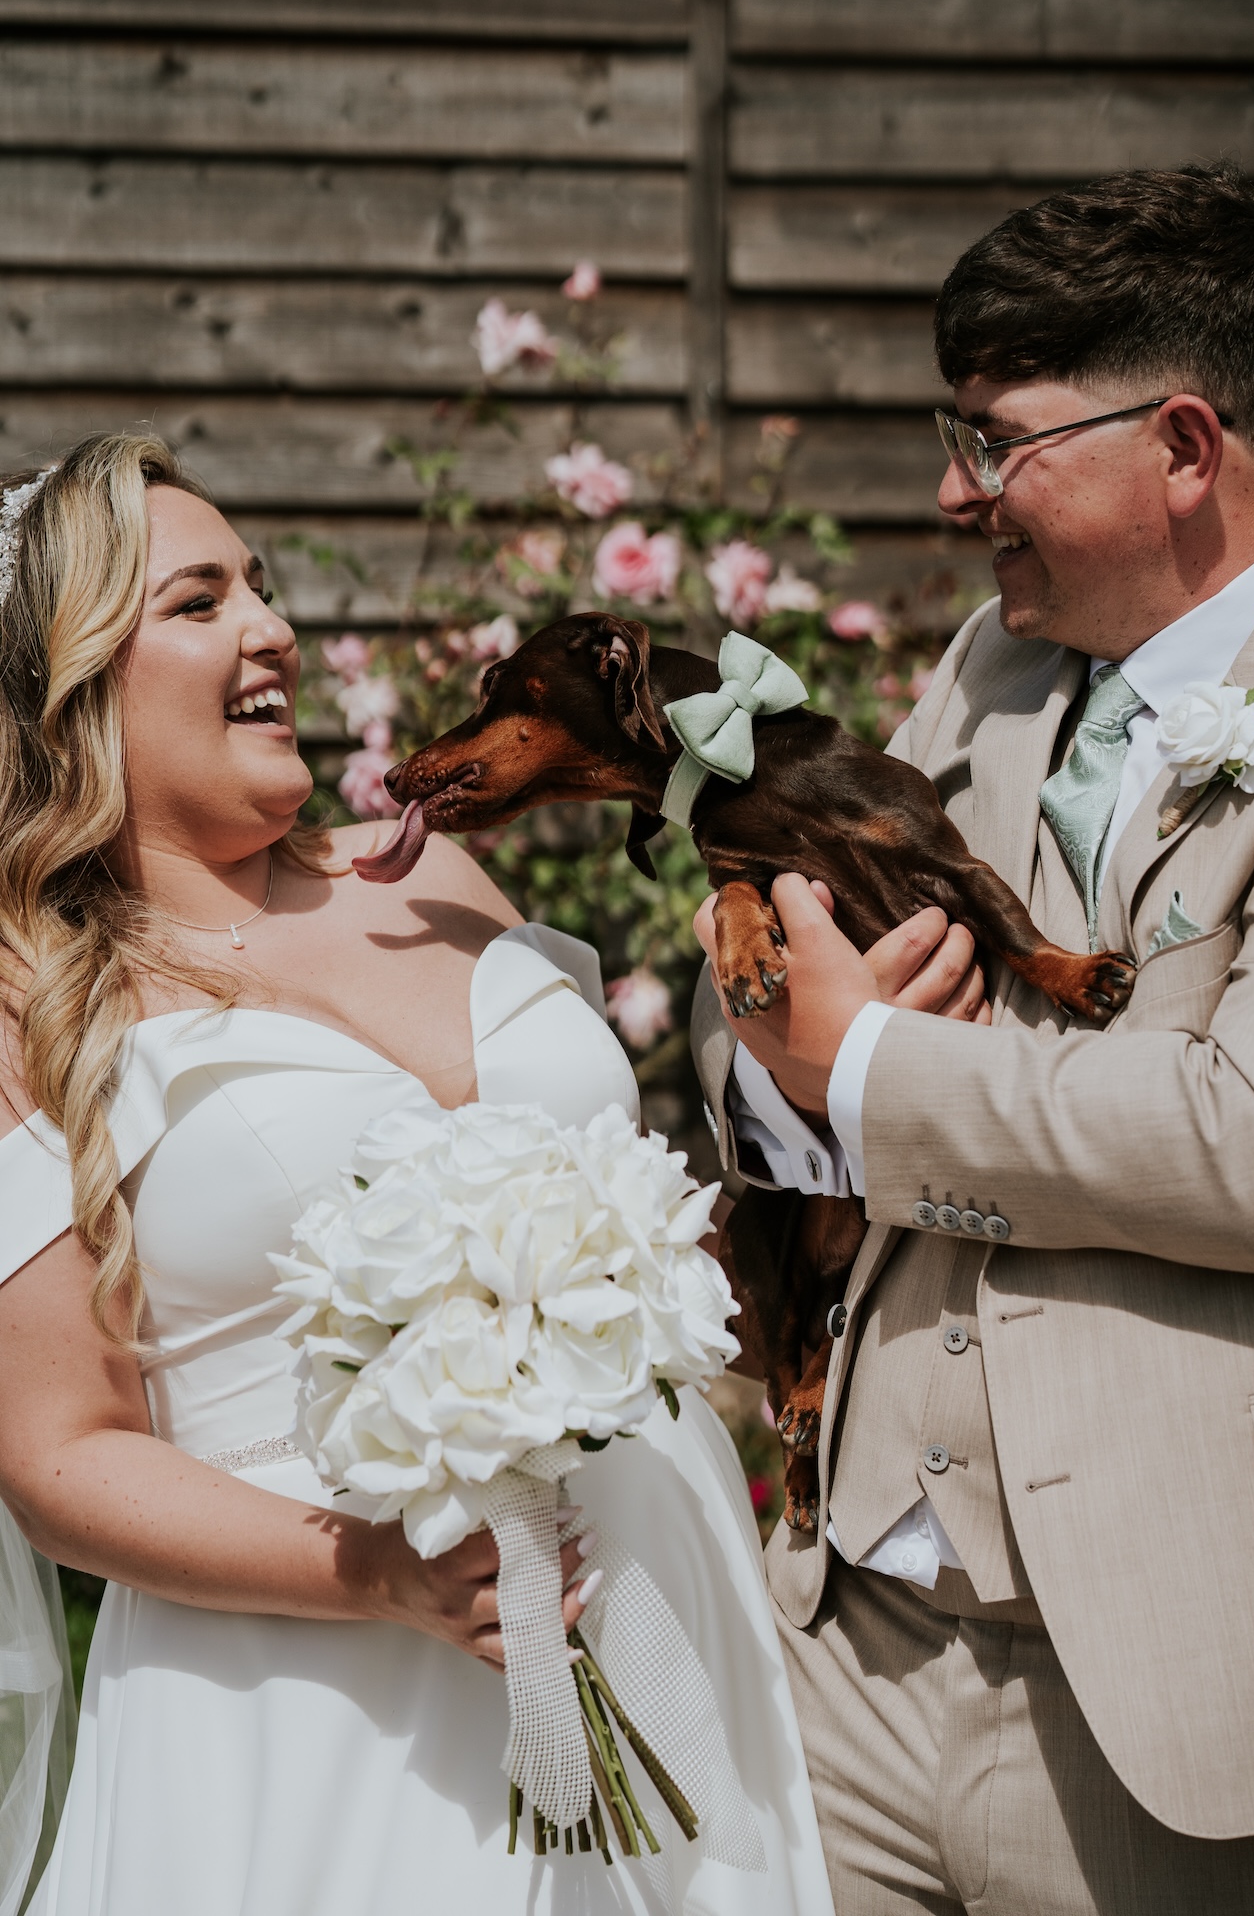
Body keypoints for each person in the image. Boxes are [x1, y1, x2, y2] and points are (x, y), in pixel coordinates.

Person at [0, 432, 838, 1916]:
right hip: (314, 1681)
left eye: (260, 586)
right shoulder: (28, 998)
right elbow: (57, 1453)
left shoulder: (432, 872)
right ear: (72, 690)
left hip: (650, 1575)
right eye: (199, 603)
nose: (273, 628)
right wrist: (371, 1572)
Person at [693, 163, 1254, 1913]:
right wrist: (794, 1078)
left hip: (1152, 1679)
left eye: (996, 440)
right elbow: (781, 1029)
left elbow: (1253, 1135)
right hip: (851, 1638)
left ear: (1184, 444)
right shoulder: (984, 667)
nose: (956, 496)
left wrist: (865, 1075)